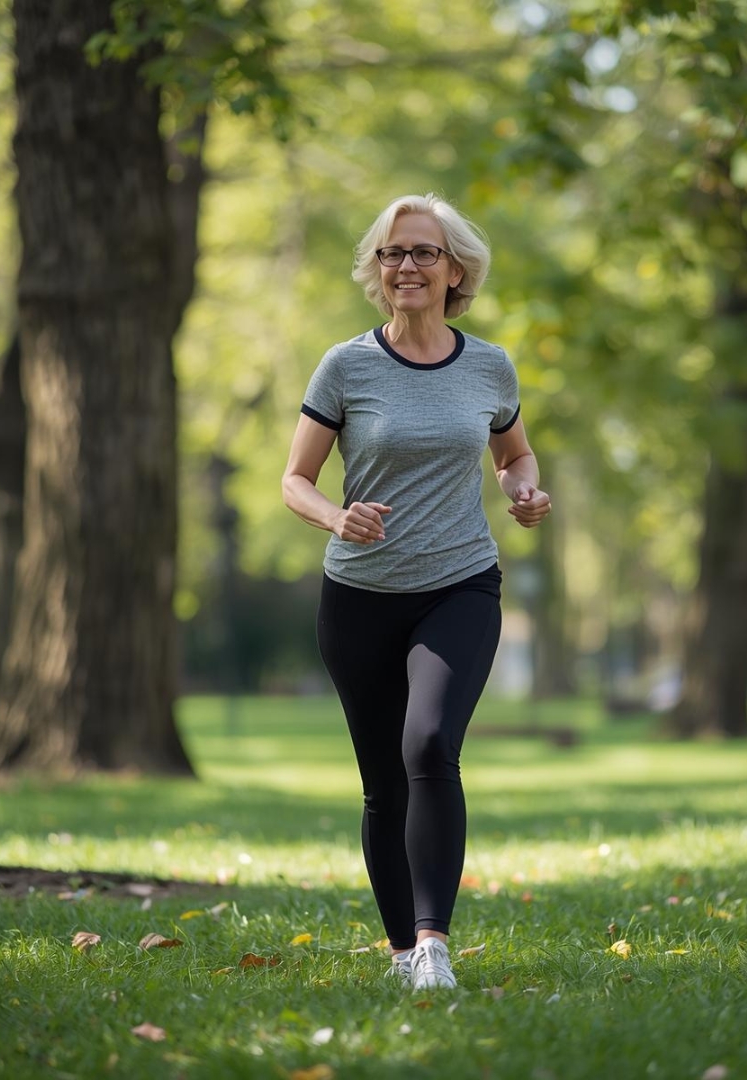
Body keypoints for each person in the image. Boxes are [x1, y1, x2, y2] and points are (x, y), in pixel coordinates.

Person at [281, 193, 551, 991]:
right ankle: (401, 951)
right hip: (360, 595)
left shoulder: (490, 365)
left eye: (423, 252)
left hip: (459, 583)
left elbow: (515, 456)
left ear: (455, 268)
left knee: (429, 744)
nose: (406, 266)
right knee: (383, 784)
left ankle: (434, 944)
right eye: (393, 253)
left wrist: (527, 492)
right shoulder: (346, 365)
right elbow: (295, 479)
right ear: (377, 267)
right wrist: (337, 517)